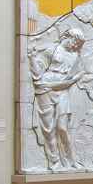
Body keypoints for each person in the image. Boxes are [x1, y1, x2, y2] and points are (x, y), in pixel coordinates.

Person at [29, 28, 87, 170]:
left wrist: (70, 81)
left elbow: (76, 76)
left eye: (78, 44)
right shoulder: (52, 50)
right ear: (67, 36)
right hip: (45, 90)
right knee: (48, 129)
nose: (75, 46)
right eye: (75, 42)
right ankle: (54, 161)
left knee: (62, 127)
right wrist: (31, 57)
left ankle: (72, 160)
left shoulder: (75, 56)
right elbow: (38, 74)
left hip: (62, 90)